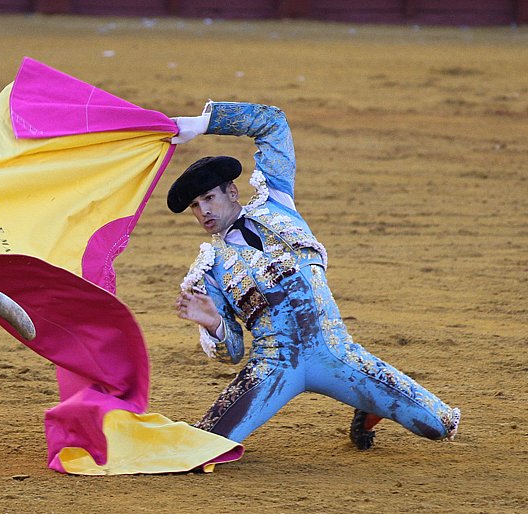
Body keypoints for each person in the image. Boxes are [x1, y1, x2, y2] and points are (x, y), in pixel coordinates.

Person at [167, 101, 459, 448]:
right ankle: (371, 399)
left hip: (336, 353)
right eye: (195, 206)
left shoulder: (277, 201)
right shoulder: (209, 268)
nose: (204, 211)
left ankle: (369, 406)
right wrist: (214, 323)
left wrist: (203, 124)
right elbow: (231, 352)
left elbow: (273, 123)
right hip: (273, 368)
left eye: (208, 198)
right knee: (204, 447)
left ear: (232, 192)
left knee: (440, 425)